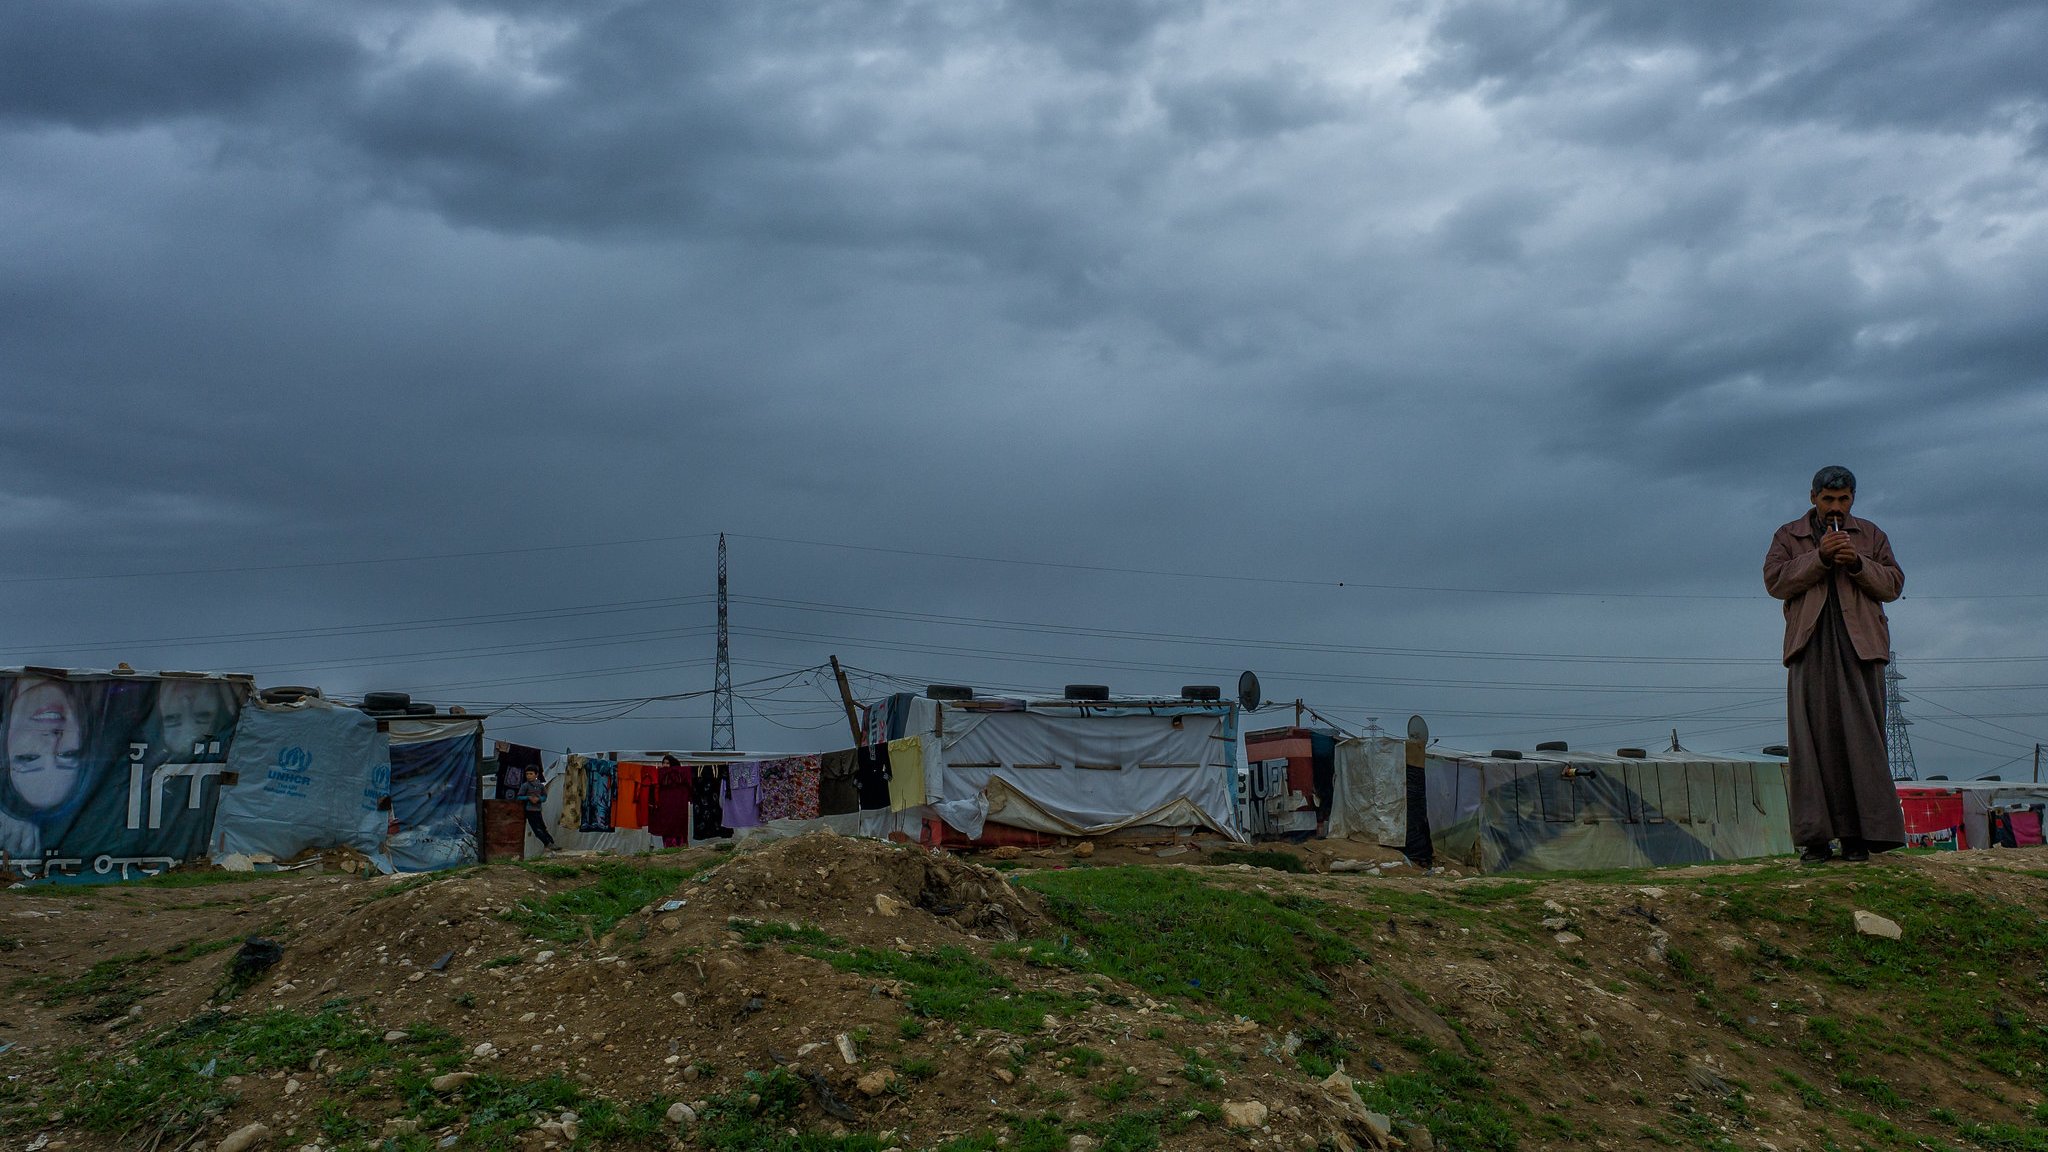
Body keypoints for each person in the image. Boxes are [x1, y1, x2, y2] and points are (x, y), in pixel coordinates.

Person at [1763, 465, 1906, 863]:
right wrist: (1820, 557)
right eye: (1828, 499)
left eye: (1843, 500)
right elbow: (1775, 582)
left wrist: (1857, 563)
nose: (1835, 507)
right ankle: (1815, 840)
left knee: (1862, 742)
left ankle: (1859, 837)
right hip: (1809, 646)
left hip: (1861, 647)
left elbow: (1893, 585)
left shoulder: (1871, 535)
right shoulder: (1787, 536)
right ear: (1813, 498)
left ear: (1853, 500)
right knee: (1810, 741)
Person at [517, 767, 558, 852]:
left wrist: (538, 799)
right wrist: (529, 798)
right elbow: (519, 797)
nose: (529, 776)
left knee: (542, 828)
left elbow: (544, 797)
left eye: (531, 774)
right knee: (536, 829)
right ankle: (547, 843)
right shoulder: (525, 786)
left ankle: (551, 842)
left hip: (538, 810)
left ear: (536, 775)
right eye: (527, 774)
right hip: (529, 810)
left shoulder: (540, 786)